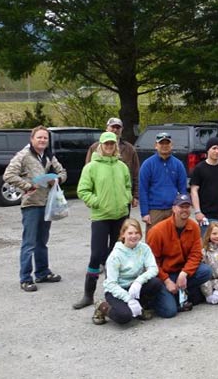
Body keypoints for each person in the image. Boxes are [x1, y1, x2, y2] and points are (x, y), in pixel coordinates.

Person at [4, 125, 67, 292]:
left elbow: (62, 172)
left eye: (45, 138)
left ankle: (42, 272)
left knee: (42, 242)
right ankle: (25, 278)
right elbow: (8, 175)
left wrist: (57, 180)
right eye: (39, 137)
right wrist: (27, 185)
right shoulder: (23, 156)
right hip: (31, 205)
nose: (42, 140)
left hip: (46, 204)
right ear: (32, 139)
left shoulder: (48, 156)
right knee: (29, 243)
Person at [74, 132, 132, 309]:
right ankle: (88, 294)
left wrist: (126, 198)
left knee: (116, 255)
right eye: (106, 144)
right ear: (100, 146)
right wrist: (96, 202)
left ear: (115, 146)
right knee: (97, 254)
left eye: (111, 144)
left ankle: (113, 293)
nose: (109, 147)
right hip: (101, 216)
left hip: (120, 216)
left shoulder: (122, 166)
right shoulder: (91, 167)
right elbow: (83, 190)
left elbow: (128, 185)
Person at [147, 194, 213, 318]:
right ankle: (154, 299)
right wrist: (166, 281)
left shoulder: (193, 227)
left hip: (181, 272)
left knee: (206, 271)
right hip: (162, 275)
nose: (185, 210)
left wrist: (184, 273)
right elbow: (151, 262)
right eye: (181, 207)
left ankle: (178, 293)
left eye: (187, 207)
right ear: (174, 209)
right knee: (169, 312)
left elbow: (196, 254)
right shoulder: (157, 231)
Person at [92, 218, 163, 325]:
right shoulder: (115, 256)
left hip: (134, 287)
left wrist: (139, 281)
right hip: (116, 290)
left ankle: (140, 307)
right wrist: (129, 299)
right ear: (123, 234)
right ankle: (102, 306)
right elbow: (111, 284)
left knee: (156, 283)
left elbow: (153, 268)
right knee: (124, 316)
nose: (134, 236)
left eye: (137, 233)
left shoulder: (144, 248)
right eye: (130, 233)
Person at [85, 117, 140, 210]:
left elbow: (136, 173)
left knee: (124, 225)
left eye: (118, 128)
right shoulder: (94, 148)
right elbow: (87, 176)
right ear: (107, 128)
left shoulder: (130, 149)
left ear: (122, 130)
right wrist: (91, 199)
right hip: (102, 200)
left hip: (123, 200)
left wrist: (135, 196)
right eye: (112, 127)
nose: (115, 130)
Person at [139, 132, 187, 234]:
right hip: (154, 210)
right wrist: (144, 213)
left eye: (167, 143)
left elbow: (183, 190)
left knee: (174, 241)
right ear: (156, 145)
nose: (164, 146)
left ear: (171, 145)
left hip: (173, 209)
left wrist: (183, 209)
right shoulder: (148, 164)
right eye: (161, 143)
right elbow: (143, 190)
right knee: (153, 241)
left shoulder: (178, 164)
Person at [190, 137, 218, 240]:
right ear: (208, 150)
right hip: (206, 215)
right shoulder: (199, 168)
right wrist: (197, 211)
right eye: (214, 148)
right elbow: (194, 190)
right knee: (207, 246)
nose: (217, 151)